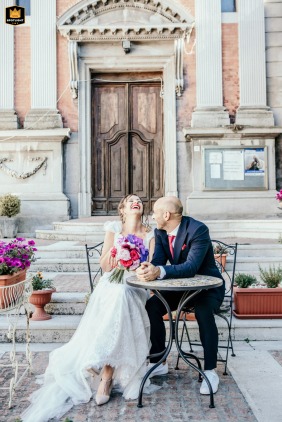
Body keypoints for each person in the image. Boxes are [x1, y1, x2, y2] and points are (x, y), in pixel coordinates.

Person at [21, 194, 155, 422]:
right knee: (118, 295)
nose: (136, 202)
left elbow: (149, 266)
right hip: (111, 284)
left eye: (139, 201)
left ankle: (105, 372)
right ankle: (107, 371)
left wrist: (136, 265)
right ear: (122, 209)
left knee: (123, 295)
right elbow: (103, 265)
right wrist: (115, 256)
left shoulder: (150, 235)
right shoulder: (114, 229)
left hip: (134, 285)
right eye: (130, 200)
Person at [136, 196, 224, 395]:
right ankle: (159, 361)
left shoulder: (197, 230)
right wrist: (149, 268)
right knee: (152, 306)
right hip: (181, 288)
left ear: (166, 215)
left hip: (207, 289)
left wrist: (160, 272)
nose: (152, 216)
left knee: (203, 312)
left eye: (155, 212)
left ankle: (210, 371)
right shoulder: (160, 232)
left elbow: (191, 267)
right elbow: (158, 260)